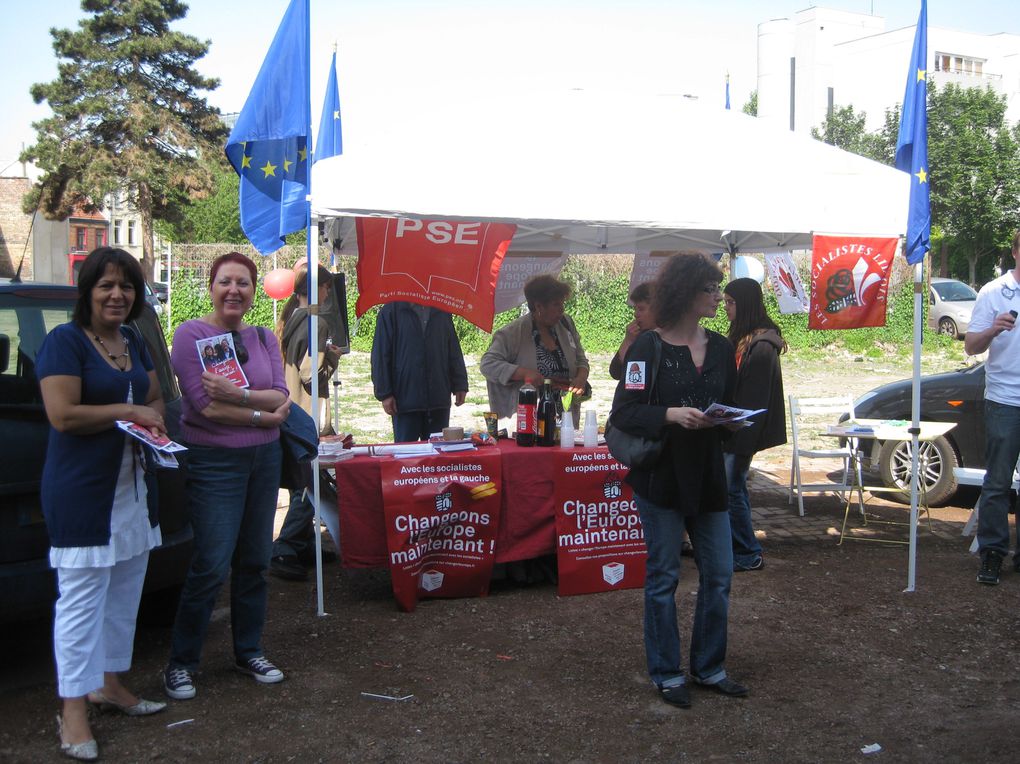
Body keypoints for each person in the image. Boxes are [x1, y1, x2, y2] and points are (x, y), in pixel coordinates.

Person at [36, 247, 168, 761]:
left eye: (127, 287)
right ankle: (72, 710)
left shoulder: (132, 339)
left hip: (131, 488)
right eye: (106, 286)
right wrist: (130, 410)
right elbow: (63, 415)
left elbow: (154, 396)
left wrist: (149, 416)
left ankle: (110, 683)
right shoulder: (64, 342)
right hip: (83, 493)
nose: (118, 295)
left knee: (123, 592)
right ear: (86, 291)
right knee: (81, 601)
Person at [609, 252, 746, 709]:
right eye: (710, 289)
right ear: (687, 293)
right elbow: (624, 412)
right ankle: (667, 673)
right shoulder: (648, 347)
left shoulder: (724, 348)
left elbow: (727, 403)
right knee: (664, 577)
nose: (717, 297)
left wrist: (732, 421)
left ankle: (709, 667)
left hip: (709, 475)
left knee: (720, 576)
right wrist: (670, 414)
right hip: (662, 477)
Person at [164, 252, 292, 700]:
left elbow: (282, 394)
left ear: (254, 291)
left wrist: (240, 395)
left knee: (256, 560)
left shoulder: (262, 337)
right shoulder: (191, 334)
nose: (234, 290)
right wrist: (263, 416)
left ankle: (248, 650)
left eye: (243, 282)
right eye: (225, 282)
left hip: (264, 462)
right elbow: (204, 407)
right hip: (215, 462)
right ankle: (181, 663)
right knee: (212, 564)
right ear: (211, 286)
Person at [270, 264, 343, 581]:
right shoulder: (316, 321)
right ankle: (285, 546)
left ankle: (299, 542)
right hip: (306, 412)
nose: (328, 293)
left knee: (308, 480)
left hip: (292, 407)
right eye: (327, 288)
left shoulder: (291, 317)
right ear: (322, 289)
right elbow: (311, 374)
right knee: (309, 483)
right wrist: (334, 356)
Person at [965, 230, 1020, 585]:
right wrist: (993, 331)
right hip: (1004, 399)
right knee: (998, 482)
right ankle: (993, 554)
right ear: (1016, 251)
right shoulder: (993, 292)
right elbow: (971, 346)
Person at [721, 277, 787, 572]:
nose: (725, 308)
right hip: (732, 428)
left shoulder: (761, 346)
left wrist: (735, 431)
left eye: (731, 303)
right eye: (724, 302)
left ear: (745, 304)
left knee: (732, 490)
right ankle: (740, 548)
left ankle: (748, 552)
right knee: (733, 489)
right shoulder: (745, 338)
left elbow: (754, 402)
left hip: (742, 431)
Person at [480, 274, 590, 428]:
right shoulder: (512, 333)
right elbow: (487, 364)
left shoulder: (565, 323)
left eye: (562, 303)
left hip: (565, 420)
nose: (562, 309)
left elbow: (581, 359)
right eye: (556, 304)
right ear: (539, 306)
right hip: (528, 422)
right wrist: (523, 373)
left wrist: (581, 378)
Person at [371, 301, 468, 442]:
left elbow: (453, 348)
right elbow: (380, 354)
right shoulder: (391, 311)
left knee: (438, 456)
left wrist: (460, 384)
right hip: (405, 399)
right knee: (406, 456)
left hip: (438, 398)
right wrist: (384, 393)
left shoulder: (442, 309)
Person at [610, 282, 654, 380]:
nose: (636, 314)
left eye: (641, 309)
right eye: (635, 309)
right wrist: (628, 341)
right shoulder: (639, 336)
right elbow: (616, 372)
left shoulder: (671, 337)